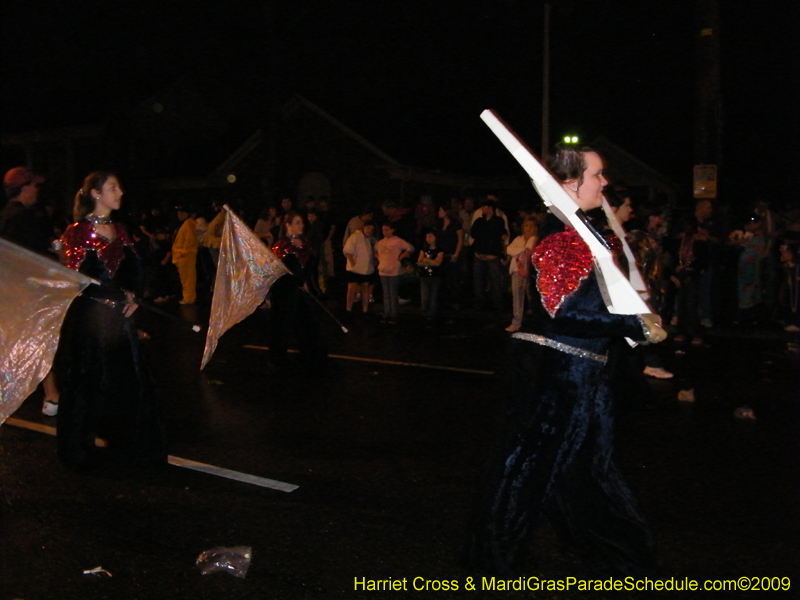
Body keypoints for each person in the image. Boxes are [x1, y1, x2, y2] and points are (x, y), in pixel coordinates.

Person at [464, 144, 666, 577]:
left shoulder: (589, 236)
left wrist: (636, 312)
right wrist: (634, 324)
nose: (605, 182)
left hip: (584, 372)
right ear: (571, 184)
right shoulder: (561, 242)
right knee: (525, 471)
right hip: (554, 374)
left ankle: (618, 551)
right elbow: (566, 312)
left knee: (589, 467)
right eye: (597, 175)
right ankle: (494, 562)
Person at [54, 171, 167, 470]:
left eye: (119, 186)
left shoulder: (121, 229)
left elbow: (136, 270)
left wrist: (132, 295)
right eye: (113, 187)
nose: (120, 191)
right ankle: (79, 449)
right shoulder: (76, 232)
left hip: (119, 321)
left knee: (130, 381)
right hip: (90, 320)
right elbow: (74, 280)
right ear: (95, 193)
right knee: (86, 383)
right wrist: (110, 296)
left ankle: (127, 443)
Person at [2, 166, 62, 415]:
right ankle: (52, 395)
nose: (38, 191)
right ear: (24, 188)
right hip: (28, 289)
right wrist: (59, 255)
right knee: (39, 337)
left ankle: (49, 394)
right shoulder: (24, 218)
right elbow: (39, 255)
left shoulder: (6, 216)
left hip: (11, 287)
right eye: (35, 186)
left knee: (21, 337)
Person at [269, 211, 326, 366]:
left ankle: (309, 355)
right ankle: (278, 358)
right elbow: (285, 271)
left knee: (307, 322)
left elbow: (310, 266)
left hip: (301, 289)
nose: (301, 225)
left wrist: (305, 281)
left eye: (302, 222)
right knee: (282, 324)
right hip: (285, 291)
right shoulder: (281, 245)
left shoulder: (306, 242)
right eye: (297, 222)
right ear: (288, 225)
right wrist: (300, 280)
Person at [374, 222, 413, 324]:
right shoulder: (381, 242)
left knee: (393, 293)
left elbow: (410, 248)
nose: (384, 232)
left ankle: (394, 314)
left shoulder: (398, 241)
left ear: (392, 230)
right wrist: (379, 258)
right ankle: (387, 313)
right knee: (386, 293)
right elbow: (375, 250)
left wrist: (401, 257)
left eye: (387, 229)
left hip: (394, 269)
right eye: (383, 230)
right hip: (383, 269)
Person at [504, 216, 538, 332]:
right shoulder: (519, 239)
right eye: (527, 226)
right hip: (517, 271)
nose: (528, 228)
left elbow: (530, 250)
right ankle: (517, 322)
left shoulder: (535, 239)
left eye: (531, 226)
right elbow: (509, 250)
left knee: (532, 297)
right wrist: (523, 249)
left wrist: (521, 249)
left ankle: (535, 323)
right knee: (517, 297)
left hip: (531, 273)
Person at [343, 220, 377, 315]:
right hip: (354, 269)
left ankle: (365, 310)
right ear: (363, 228)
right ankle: (348, 309)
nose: (369, 231)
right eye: (368, 228)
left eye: (372, 229)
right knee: (352, 289)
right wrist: (353, 263)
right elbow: (348, 251)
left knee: (365, 288)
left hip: (366, 268)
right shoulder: (355, 237)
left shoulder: (370, 239)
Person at [172, 205, 198, 304]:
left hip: (185, 257)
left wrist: (181, 252)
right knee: (186, 279)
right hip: (184, 256)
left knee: (188, 279)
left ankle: (189, 298)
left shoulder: (188, 225)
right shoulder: (187, 224)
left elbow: (190, 242)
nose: (179, 215)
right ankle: (188, 297)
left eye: (181, 213)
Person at [417, 229, 445, 322]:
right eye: (426, 236)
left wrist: (426, 260)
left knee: (433, 298)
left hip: (435, 276)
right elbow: (419, 262)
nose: (428, 239)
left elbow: (438, 263)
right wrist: (430, 261)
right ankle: (425, 315)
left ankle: (432, 316)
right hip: (424, 276)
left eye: (430, 236)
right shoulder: (423, 249)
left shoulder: (439, 250)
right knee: (425, 298)